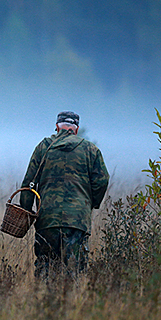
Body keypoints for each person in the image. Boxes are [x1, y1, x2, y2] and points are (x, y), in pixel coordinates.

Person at [19, 111, 109, 279]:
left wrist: (25, 212)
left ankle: (44, 302)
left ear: (56, 127)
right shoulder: (90, 150)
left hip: (47, 220)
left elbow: (28, 184)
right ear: (76, 129)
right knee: (73, 271)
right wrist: (90, 203)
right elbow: (102, 180)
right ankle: (70, 303)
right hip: (77, 221)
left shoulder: (43, 147)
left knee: (45, 268)